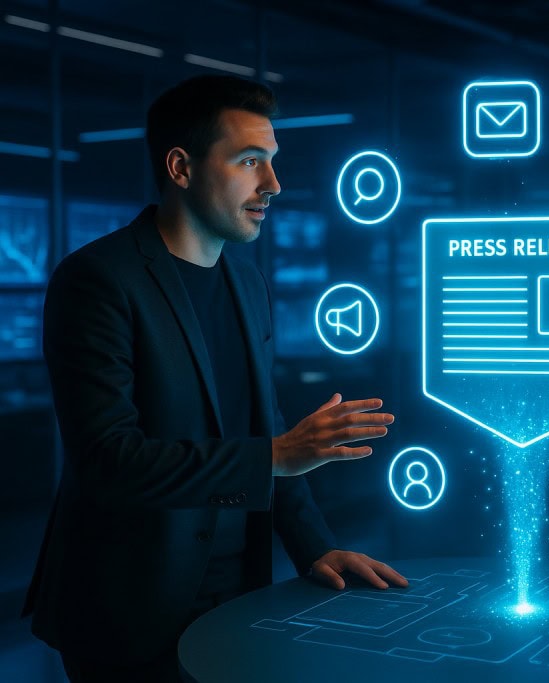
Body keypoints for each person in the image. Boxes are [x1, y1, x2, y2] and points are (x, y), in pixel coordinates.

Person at [21, 75, 408, 682]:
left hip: (237, 597)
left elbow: (268, 430)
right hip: (127, 610)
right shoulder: (97, 279)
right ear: (180, 166)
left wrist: (315, 546)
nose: (273, 185)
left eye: (273, 162)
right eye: (250, 161)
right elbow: (109, 460)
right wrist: (275, 457)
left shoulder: (247, 283)